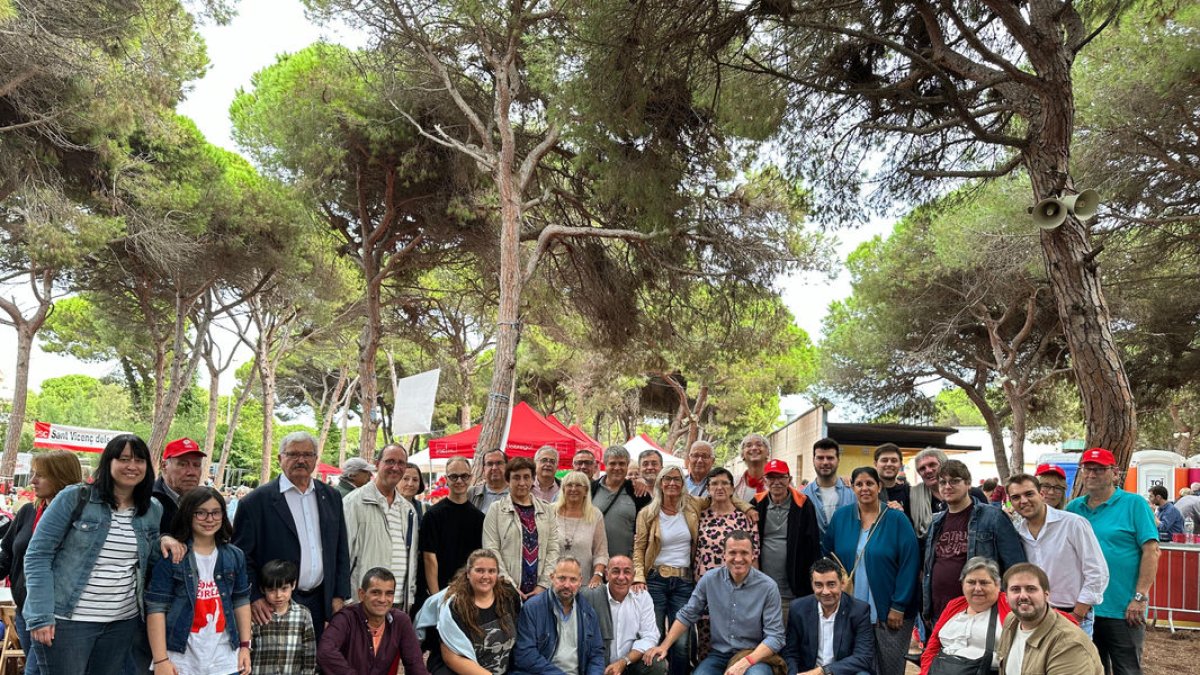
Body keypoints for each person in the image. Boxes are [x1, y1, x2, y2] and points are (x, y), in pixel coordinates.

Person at [23, 434, 164, 675]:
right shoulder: (74, 497)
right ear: (108, 462)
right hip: (67, 621)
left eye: (139, 460)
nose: (132, 466)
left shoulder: (152, 509)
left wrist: (165, 540)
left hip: (122, 623)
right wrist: (41, 615)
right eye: (124, 459)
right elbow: (38, 555)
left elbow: (148, 560)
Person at [232, 431, 351, 642]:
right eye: (293, 454)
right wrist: (254, 596)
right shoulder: (255, 502)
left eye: (307, 454)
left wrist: (339, 594)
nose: (301, 460)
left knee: (315, 657)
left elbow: (340, 549)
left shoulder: (331, 496)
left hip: (320, 601)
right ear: (280, 458)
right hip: (273, 604)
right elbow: (241, 557)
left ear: (316, 459)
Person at [1065, 447, 1160, 675]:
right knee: (1089, 670)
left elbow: (1152, 551)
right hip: (1084, 609)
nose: (1092, 474)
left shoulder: (1134, 504)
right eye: (1087, 469)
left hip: (1123, 609)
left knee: (1127, 670)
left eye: (1099, 469)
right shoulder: (1074, 508)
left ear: (1115, 473)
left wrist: (1140, 597)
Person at [643, 531, 785, 675]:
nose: (738, 558)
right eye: (732, 553)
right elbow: (687, 614)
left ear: (753, 555)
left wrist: (746, 662)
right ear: (724, 555)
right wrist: (664, 646)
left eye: (744, 553)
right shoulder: (710, 580)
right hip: (719, 656)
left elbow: (776, 636)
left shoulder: (768, 587)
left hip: (755, 655)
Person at [823, 467, 920, 675]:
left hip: (889, 610)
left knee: (889, 667)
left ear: (879, 486)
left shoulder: (897, 519)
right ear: (852, 488)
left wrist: (899, 605)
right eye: (859, 484)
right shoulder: (841, 517)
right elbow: (827, 556)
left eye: (869, 483)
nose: (864, 488)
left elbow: (910, 563)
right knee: (855, 666)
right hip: (851, 609)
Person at [146, 487, 252, 675]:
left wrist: (245, 646)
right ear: (188, 514)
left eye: (215, 512)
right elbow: (156, 608)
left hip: (225, 659)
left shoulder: (234, 556)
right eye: (201, 513)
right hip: (181, 660)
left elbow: (241, 601)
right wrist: (161, 659)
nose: (209, 519)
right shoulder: (173, 557)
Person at [0, 450, 82, 675]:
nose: (33, 481)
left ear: (62, 477)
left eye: (41, 475)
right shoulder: (29, 511)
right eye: (33, 473)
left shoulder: (82, 519)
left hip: (60, 617)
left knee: (35, 671)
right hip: (25, 612)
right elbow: (8, 554)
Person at [922, 460, 1025, 625]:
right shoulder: (936, 522)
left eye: (954, 481)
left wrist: (1008, 607)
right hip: (939, 613)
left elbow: (1016, 567)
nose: (947, 486)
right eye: (943, 482)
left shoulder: (993, 517)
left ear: (968, 483)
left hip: (980, 613)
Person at [1005, 473, 1107, 636]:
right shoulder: (1017, 532)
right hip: (1034, 617)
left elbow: (1097, 572)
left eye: (1029, 494)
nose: (1023, 501)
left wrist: (1077, 614)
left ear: (1041, 494)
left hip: (1073, 615)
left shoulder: (1073, 524)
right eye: (1016, 497)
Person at [631, 466, 698, 675]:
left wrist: (747, 508)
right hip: (655, 580)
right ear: (660, 482)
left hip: (684, 582)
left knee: (681, 643)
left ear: (683, 483)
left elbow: (720, 497)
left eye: (677, 479)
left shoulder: (692, 506)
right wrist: (638, 577)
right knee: (654, 636)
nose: (672, 483)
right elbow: (639, 548)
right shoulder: (648, 513)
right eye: (667, 479)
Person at [342, 443, 419, 611]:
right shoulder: (353, 503)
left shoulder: (408, 510)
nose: (395, 467)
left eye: (401, 463)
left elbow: (412, 558)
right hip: (364, 601)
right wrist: (344, 598)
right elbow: (343, 555)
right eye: (390, 461)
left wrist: (410, 596)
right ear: (377, 464)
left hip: (398, 602)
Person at [418, 549, 521, 675]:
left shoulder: (509, 596)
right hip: (460, 670)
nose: (486, 576)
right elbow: (451, 658)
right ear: (468, 573)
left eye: (491, 571)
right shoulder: (454, 606)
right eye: (479, 570)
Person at [317, 567, 429, 675]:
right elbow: (325, 652)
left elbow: (415, 665)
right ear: (361, 594)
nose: (382, 599)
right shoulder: (345, 618)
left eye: (389, 593)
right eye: (376, 593)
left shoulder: (400, 621)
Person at [998, 563, 1103, 675]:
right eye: (1015, 589)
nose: (1023, 595)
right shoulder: (1011, 621)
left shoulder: (1068, 644)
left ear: (1046, 595)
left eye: (1031, 589)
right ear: (1006, 597)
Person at [482, 456, 560, 600]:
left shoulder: (547, 510)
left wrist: (543, 585)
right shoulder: (497, 510)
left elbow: (553, 548)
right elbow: (491, 549)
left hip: (540, 592)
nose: (522, 483)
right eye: (516, 478)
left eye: (526, 477)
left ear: (533, 479)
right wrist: (509, 585)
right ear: (508, 480)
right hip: (505, 590)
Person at [511, 557, 606, 675]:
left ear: (580, 581)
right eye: (562, 578)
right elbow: (525, 655)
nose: (567, 585)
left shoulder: (588, 612)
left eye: (573, 580)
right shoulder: (532, 608)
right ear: (552, 578)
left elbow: (596, 654)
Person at [753, 459, 821, 623]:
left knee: (790, 628)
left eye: (781, 477)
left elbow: (813, 545)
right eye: (771, 477)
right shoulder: (756, 504)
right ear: (764, 480)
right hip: (762, 586)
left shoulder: (803, 504)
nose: (776, 482)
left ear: (789, 479)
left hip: (794, 587)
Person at [782, 557, 874, 675]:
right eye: (819, 585)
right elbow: (790, 653)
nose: (825, 592)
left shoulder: (859, 610)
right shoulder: (798, 608)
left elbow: (863, 657)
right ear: (812, 585)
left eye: (831, 584)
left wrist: (823, 671)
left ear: (842, 584)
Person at [920, 557, 1009, 675]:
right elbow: (932, 647)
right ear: (962, 584)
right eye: (971, 582)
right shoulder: (954, 605)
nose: (977, 588)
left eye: (984, 582)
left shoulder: (1009, 605)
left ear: (997, 585)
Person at [580, 555, 664, 675]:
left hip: (629, 664)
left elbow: (650, 636)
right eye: (615, 571)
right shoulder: (592, 596)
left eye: (627, 572)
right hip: (599, 666)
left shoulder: (642, 597)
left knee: (656, 663)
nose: (621, 577)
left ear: (633, 575)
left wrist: (624, 662)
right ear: (606, 574)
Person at [420, 457, 485, 597]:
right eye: (454, 476)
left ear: (470, 478)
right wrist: (436, 597)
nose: (459, 481)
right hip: (440, 589)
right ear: (446, 479)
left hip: (469, 592)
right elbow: (429, 559)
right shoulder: (432, 515)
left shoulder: (479, 518)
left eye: (464, 476)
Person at [249, 560, 317, 675]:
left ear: (293, 585)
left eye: (284, 588)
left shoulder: (303, 614)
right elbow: (248, 649)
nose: (278, 595)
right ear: (262, 589)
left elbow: (309, 652)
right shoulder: (257, 615)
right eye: (271, 590)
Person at [592, 446, 653, 558]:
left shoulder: (638, 493)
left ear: (627, 465)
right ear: (605, 465)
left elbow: (649, 529)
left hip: (626, 563)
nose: (617, 467)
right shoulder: (591, 490)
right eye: (612, 463)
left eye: (621, 463)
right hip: (594, 561)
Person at [554, 470, 609, 587]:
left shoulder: (595, 515)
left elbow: (601, 552)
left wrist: (597, 575)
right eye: (569, 485)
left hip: (583, 583)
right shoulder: (551, 512)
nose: (573, 489)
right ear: (563, 489)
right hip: (553, 582)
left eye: (578, 485)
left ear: (586, 491)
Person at [802, 438, 856, 535]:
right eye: (820, 458)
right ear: (813, 460)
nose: (825, 462)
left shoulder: (852, 493)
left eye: (830, 458)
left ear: (838, 460)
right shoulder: (803, 496)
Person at [153, 437, 206, 531]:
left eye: (196, 465)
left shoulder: (205, 502)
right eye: (182, 464)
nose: (191, 472)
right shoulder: (146, 502)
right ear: (164, 466)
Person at [468, 449, 510, 513]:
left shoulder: (517, 493)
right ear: (483, 469)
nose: (494, 468)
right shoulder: (472, 493)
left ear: (507, 466)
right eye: (490, 464)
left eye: (499, 463)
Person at [874, 443, 910, 516]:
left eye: (894, 461)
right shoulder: (866, 491)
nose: (889, 464)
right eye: (884, 460)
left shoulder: (908, 492)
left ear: (900, 465)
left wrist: (901, 515)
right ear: (875, 464)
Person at [733, 433, 770, 502]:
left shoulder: (781, 481)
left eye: (759, 445)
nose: (754, 448)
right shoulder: (734, 483)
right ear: (742, 454)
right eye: (749, 445)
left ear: (767, 452)